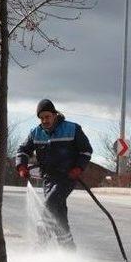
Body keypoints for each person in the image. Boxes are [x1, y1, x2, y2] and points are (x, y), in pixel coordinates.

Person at [15, 99, 93, 250]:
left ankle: (41, 243)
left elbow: (86, 151)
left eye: (47, 116)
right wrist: (22, 166)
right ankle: (68, 248)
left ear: (55, 115)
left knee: (50, 204)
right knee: (59, 213)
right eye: (42, 117)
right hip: (48, 179)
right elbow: (22, 150)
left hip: (67, 177)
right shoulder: (36, 133)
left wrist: (78, 168)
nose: (45, 120)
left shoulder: (72, 129)